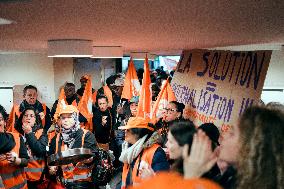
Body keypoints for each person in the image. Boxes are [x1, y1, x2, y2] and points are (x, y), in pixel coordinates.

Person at [183, 106, 284, 189]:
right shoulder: (232, 178)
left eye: (232, 133)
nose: (224, 136)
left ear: (252, 147)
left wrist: (192, 177)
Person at [48, 105, 97, 189]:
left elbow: (94, 157)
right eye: (63, 118)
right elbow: (51, 159)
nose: (66, 120)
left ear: (75, 118)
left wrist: (89, 159)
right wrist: (51, 168)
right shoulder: (55, 139)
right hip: (63, 185)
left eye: (69, 117)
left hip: (83, 184)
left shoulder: (87, 135)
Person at [118, 117, 170, 189]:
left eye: (128, 130)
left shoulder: (156, 153)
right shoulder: (129, 150)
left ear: (138, 133)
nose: (125, 132)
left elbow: (163, 183)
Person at [14, 107, 48, 187]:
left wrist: (29, 133)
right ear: (22, 119)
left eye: (32, 116)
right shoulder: (15, 134)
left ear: (36, 119)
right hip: (20, 178)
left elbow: (41, 151)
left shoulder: (42, 132)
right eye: (25, 115)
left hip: (37, 179)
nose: (28, 117)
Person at [0, 106, 29, 189]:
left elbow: (26, 161)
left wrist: (17, 161)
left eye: (0, 119)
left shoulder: (16, 137)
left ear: (5, 122)